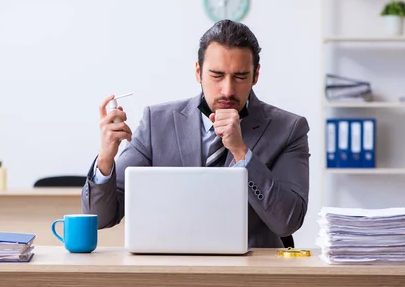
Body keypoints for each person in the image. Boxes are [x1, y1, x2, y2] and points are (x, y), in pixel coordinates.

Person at [81, 19, 310, 248]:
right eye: (217, 76)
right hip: (172, 270)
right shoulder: (156, 123)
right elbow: (101, 218)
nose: (228, 90)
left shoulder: (289, 129)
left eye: (240, 77)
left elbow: (287, 222)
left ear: (255, 75)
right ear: (198, 72)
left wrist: (241, 153)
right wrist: (106, 157)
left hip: (252, 274)